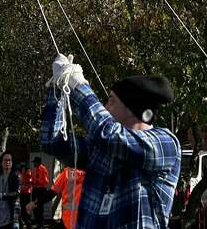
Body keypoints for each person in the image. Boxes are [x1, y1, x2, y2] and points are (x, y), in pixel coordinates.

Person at [40, 55, 180, 229]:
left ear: (131, 109)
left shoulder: (165, 144)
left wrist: (77, 85)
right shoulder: (104, 148)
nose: (105, 107)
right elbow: (52, 142)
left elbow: (109, 133)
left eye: (111, 101)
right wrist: (57, 91)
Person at [0, 154, 21, 229]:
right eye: (5, 160)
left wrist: (2, 195)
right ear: (1, 162)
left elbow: (16, 193)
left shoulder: (16, 176)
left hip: (12, 215)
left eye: (9, 160)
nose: (7, 162)